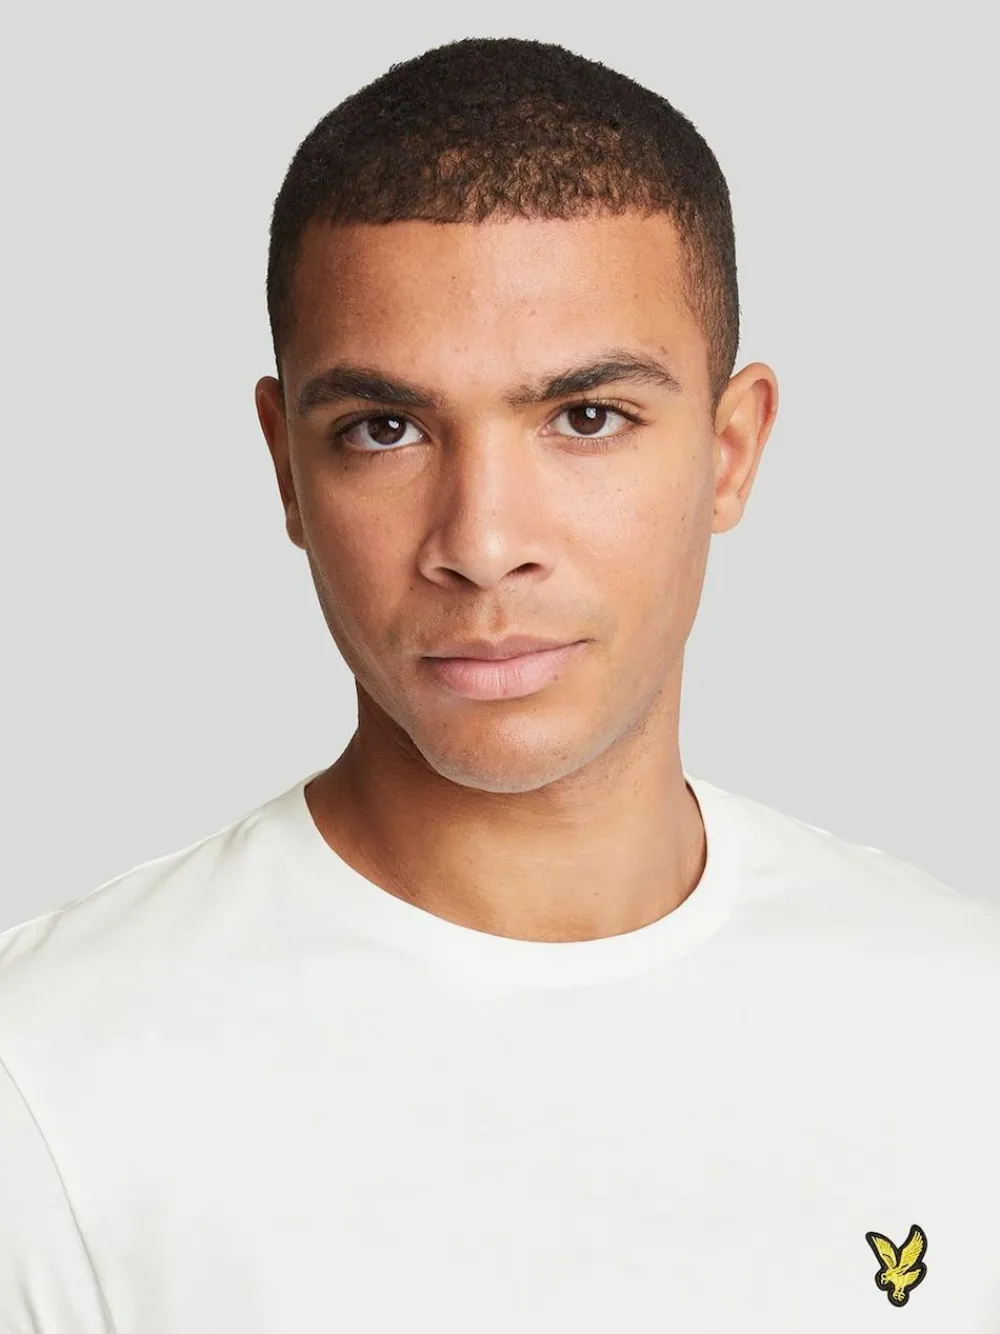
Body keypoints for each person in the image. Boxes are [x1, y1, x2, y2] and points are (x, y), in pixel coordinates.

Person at [1, 34, 997, 1334]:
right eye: (385, 429)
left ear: (731, 450)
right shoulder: (48, 1074)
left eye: (586, 417)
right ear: (287, 467)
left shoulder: (963, 1023)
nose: (480, 541)